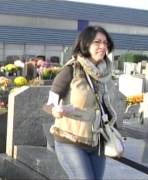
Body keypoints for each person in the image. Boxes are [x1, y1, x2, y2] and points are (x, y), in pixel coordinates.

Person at [45, 25, 118, 179]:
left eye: (105, 43)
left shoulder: (106, 75)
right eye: (97, 42)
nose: (103, 46)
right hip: (70, 141)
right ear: (86, 44)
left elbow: (106, 107)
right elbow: (49, 103)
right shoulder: (71, 70)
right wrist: (55, 110)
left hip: (97, 142)